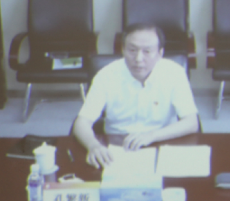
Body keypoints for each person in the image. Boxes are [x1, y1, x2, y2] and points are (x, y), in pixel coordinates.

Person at [73, 23, 199, 168]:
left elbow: (191, 122)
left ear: (160, 53)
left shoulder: (174, 73)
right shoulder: (106, 76)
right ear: (123, 49)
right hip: (117, 147)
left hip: (162, 141)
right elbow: (82, 122)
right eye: (132, 50)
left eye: (147, 51)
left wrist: (152, 135)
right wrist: (94, 146)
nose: (138, 58)